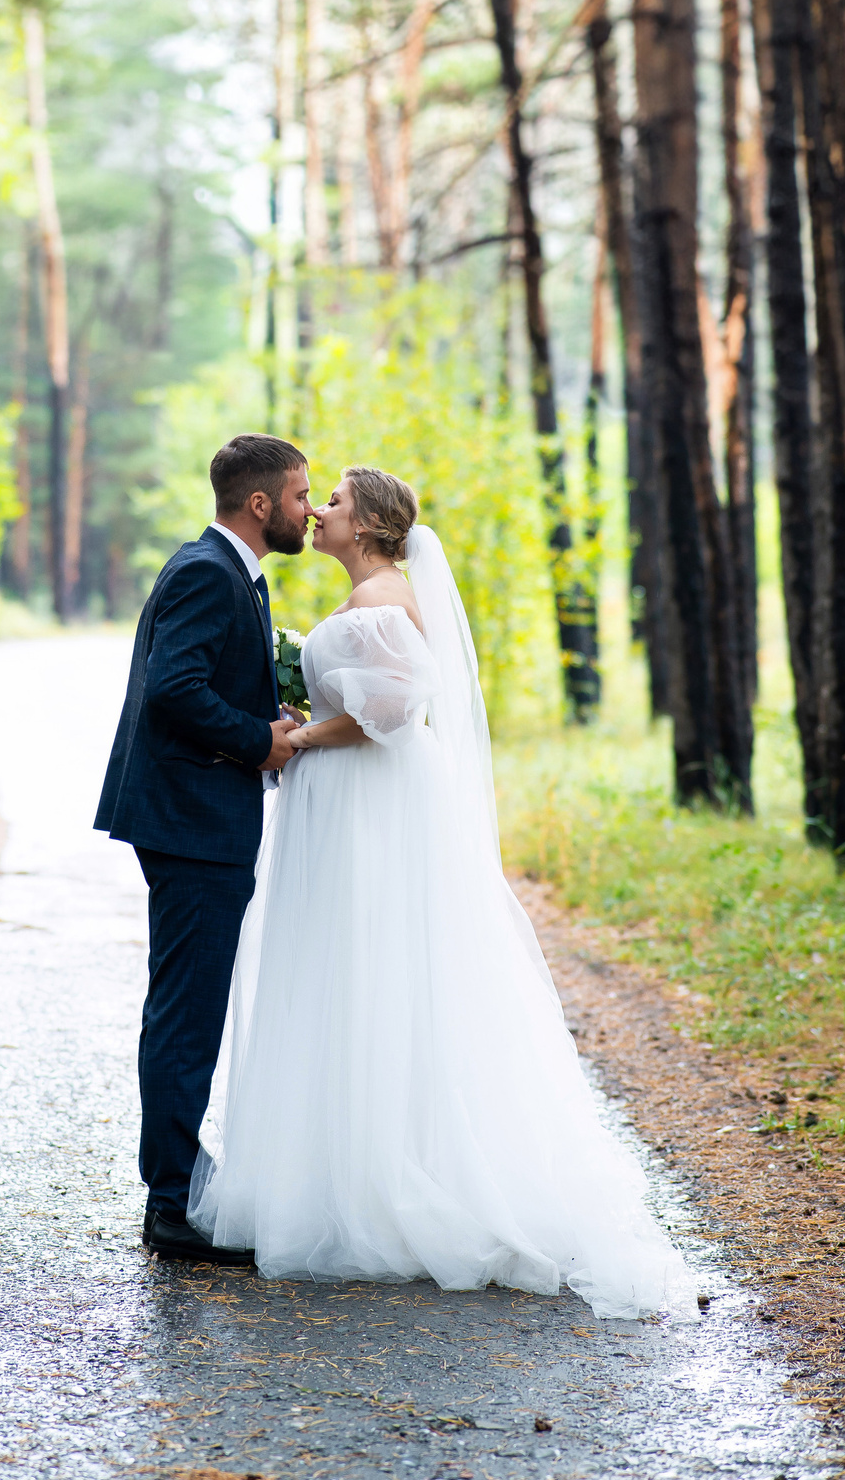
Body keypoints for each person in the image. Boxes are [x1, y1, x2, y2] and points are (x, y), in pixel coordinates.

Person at [188, 467, 696, 1319]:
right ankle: (340, 1169)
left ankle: (390, 1178)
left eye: (335, 504)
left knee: (371, 964)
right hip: (345, 801)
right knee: (345, 973)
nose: (319, 512)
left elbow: (391, 709)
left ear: (374, 525)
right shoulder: (373, 594)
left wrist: (301, 735)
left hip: (368, 806)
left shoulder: (385, 599)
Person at [95, 435, 311, 1264]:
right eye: (297, 496)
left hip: (200, 820)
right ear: (259, 506)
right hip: (191, 822)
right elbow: (174, 691)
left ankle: (179, 1179)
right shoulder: (206, 573)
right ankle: (171, 1204)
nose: (307, 509)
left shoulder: (230, 575)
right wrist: (258, 739)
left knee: (191, 1006)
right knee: (187, 1012)